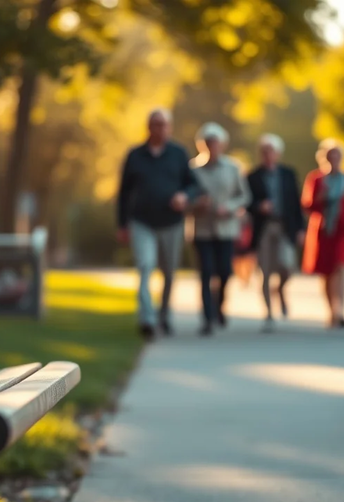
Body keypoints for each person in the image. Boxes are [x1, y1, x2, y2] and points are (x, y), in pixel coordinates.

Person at [116, 108, 200, 340]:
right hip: (142, 222)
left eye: (164, 125)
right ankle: (148, 320)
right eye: (156, 124)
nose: (160, 129)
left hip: (171, 223)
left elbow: (193, 185)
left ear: (169, 127)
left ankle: (165, 315)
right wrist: (122, 224)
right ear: (149, 127)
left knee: (169, 273)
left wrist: (184, 196)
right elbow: (123, 192)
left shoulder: (178, 153)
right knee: (145, 265)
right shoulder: (135, 155)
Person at [191, 122, 251, 336]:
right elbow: (186, 197)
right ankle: (207, 318)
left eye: (215, 143)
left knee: (225, 272)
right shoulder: (193, 170)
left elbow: (244, 196)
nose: (212, 146)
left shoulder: (233, 168)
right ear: (202, 145)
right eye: (208, 143)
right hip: (202, 229)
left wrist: (231, 207)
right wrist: (197, 203)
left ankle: (219, 307)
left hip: (226, 229)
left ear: (222, 145)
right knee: (206, 272)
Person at [301, 139, 344, 328]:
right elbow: (307, 205)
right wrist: (320, 197)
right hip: (324, 231)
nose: (334, 160)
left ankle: (341, 310)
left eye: (337, 156)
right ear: (324, 158)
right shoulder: (316, 179)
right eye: (330, 156)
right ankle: (331, 310)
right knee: (327, 272)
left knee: (342, 266)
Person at [246, 133, 305, 331]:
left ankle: (279, 289)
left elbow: (296, 204)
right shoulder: (252, 176)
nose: (268, 154)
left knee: (287, 265)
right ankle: (269, 313)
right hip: (264, 228)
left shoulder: (288, 174)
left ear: (278, 153)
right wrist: (258, 206)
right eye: (264, 151)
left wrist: (300, 229)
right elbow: (246, 204)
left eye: (271, 151)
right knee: (264, 271)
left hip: (284, 227)